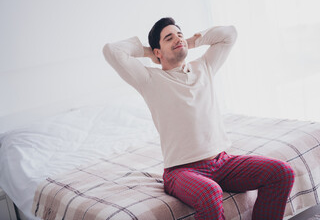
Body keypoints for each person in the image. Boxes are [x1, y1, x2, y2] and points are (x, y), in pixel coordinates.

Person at [103, 17, 295, 220]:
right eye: (169, 38)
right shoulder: (149, 80)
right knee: (210, 193)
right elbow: (111, 51)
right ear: (158, 52)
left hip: (222, 162)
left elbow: (229, 34)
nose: (178, 39)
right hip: (181, 171)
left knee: (282, 173)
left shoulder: (204, 66)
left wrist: (191, 41)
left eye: (179, 35)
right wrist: (148, 52)